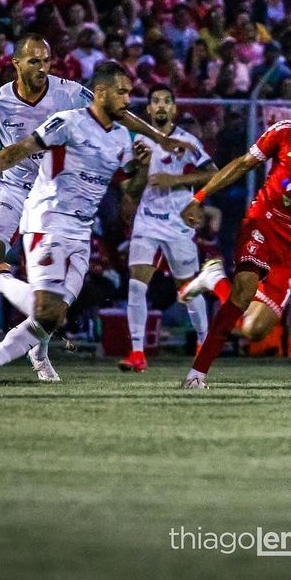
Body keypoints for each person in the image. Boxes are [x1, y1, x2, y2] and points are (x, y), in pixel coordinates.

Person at [0, 38, 194, 381]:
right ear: (16, 63)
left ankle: (39, 352)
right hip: (18, 191)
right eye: (34, 61)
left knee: (53, 303)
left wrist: (157, 143)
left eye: (47, 60)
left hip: (62, 200)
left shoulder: (71, 96)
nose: (42, 68)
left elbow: (121, 118)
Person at [0, 63, 152, 386]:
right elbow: (19, 150)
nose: (129, 100)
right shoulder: (67, 121)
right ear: (100, 93)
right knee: (48, 309)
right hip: (48, 222)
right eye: (122, 92)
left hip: (81, 231)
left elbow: (129, 192)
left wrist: (143, 168)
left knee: (52, 316)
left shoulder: (118, 139)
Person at [175, 89, 291, 389]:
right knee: (242, 295)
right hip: (263, 223)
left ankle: (214, 279)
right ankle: (197, 376)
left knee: (254, 330)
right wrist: (200, 196)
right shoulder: (287, 133)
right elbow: (242, 164)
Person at [120, 84, 217, 372]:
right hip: (147, 220)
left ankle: (203, 344)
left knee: (187, 289)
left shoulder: (186, 141)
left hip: (177, 223)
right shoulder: (138, 141)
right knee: (136, 285)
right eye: (155, 101)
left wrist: (176, 182)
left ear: (173, 108)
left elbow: (214, 174)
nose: (161, 106)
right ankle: (137, 353)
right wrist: (141, 168)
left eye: (166, 101)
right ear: (148, 109)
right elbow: (132, 189)